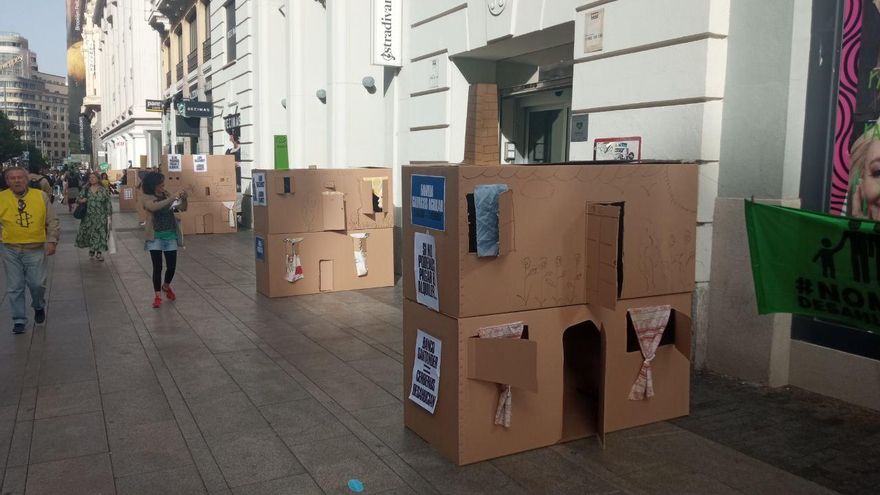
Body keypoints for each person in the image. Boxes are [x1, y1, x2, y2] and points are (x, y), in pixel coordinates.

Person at [0, 167, 59, 334]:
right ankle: (18, 319)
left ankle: (38, 305)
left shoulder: (40, 196)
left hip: (35, 247)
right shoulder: (1, 198)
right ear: (7, 181)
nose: (17, 181)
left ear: (26, 179)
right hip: (10, 248)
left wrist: (52, 240)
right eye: (12, 178)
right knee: (15, 286)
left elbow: (52, 220)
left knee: (37, 283)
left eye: (20, 177)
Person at [141, 172, 187, 308]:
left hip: (170, 234)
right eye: (160, 184)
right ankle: (157, 296)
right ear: (153, 185)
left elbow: (182, 208)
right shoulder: (146, 197)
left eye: (163, 184)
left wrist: (183, 199)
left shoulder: (167, 194)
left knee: (171, 267)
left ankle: (166, 286)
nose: (163, 186)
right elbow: (154, 207)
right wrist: (172, 198)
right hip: (154, 236)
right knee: (157, 267)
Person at [75, 172, 112, 262]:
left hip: (101, 216)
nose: (91, 179)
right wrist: (81, 200)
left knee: (100, 234)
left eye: (93, 177)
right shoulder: (86, 189)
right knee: (90, 233)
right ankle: (92, 249)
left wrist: (109, 215)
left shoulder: (104, 190)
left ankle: (99, 253)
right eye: (90, 177)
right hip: (88, 216)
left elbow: (108, 202)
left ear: (98, 179)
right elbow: (77, 199)